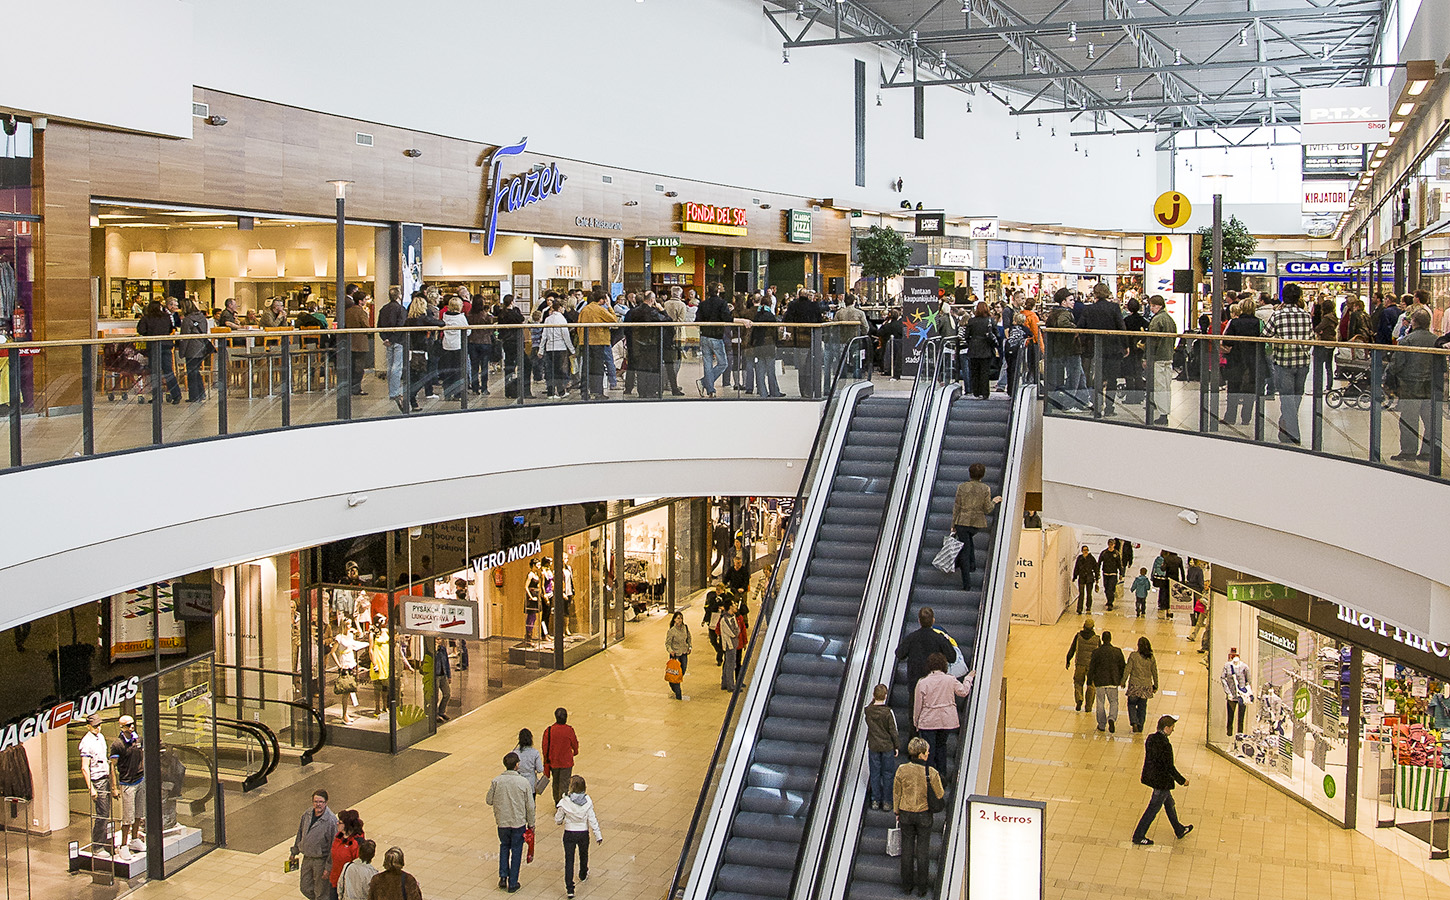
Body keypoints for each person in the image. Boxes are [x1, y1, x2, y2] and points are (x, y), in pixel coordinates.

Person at [892, 736, 944, 897]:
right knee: (922, 851)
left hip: (906, 813)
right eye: (927, 752)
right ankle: (922, 888)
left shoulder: (901, 769)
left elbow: (896, 793)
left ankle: (907, 886)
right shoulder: (931, 772)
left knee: (906, 850)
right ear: (921, 754)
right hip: (924, 815)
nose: (928, 754)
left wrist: (897, 811)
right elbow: (940, 793)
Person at [1131, 715, 1193, 846]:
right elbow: (1169, 767)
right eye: (1172, 728)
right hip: (1162, 781)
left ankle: (1179, 829)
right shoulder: (1165, 744)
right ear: (1166, 728)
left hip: (1152, 777)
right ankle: (1139, 835)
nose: (1173, 730)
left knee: (1169, 804)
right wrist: (1182, 781)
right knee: (1153, 808)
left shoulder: (1151, 738)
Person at [1264, 282, 1313, 445]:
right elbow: (1311, 337)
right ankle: (1286, 426)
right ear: (1299, 297)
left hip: (1284, 361)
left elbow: (1264, 335)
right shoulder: (1306, 315)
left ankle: (1293, 433)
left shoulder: (1278, 315)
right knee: (1297, 396)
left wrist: (1277, 341)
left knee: (1287, 398)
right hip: (1303, 361)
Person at [1388, 308, 1438, 461]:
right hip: (1431, 385)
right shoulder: (1436, 341)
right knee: (1430, 420)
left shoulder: (1407, 341)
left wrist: (1388, 378)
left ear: (1413, 323)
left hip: (1410, 386)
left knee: (1409, 419)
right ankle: (1428, 452)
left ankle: (1408, 451)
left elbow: (1396, 365)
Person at [912, 652, 976, 769]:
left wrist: (916, 722)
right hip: (946, 720)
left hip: (928, 721)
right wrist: (968, 678)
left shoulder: (922, 682)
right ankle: (942, 775)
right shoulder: (950, 680)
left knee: (928, 750)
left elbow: (918, 705)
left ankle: (929, 775)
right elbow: (963, 692)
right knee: (942, 746)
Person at [487, 751, 535, 893]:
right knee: (516, 850)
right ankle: (513, 882)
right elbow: (530, 806)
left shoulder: (496, 781)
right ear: (517, 765)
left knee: (504, 847)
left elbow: (489, 800)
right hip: (518, 823)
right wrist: (531, 824)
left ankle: (503, 876)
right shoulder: (523, 782)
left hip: (502, 822)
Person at [1079, 283, 1127, 414]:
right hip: (1113, 348)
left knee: (1097, 378)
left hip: (1096, 348)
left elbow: (1080, 327)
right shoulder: (1114, 308)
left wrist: (1086, 342)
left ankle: (1097, 406)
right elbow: (1121, 327)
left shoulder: (1089, 309)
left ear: (1095, 294)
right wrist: (1125, 345)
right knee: (1112, 379)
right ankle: (1110, 408)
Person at [952, 462, 1002, 588]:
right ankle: (971, 567)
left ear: (970, 473)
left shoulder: (962, 487)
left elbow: (956, 507)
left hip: (962, 521)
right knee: (967, 544)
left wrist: (953, 524)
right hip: (976, 524)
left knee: (965, 549)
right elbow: (987, 509)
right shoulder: (985, 489)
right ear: (982, 475)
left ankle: (966, 581)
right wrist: (994, 501)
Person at [554, 774, 603, 899]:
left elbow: (558, 818)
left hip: (569, 833)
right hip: (583, 833)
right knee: (583, 854)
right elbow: (592, 819)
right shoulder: (587, 801)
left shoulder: (565, 802)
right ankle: (583, 873)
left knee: (569, 860)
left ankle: (570, 888)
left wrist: (560, 821)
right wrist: (598, 835)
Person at [108, 714, 147, 855]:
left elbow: (141, 755)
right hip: (127, 784)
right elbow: (112, 766)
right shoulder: (117, 745)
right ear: (122, 727)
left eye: (132, 724)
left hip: (140, 780)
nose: (132, 727)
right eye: (128, 725)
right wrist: (114, 787)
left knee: (138, 813)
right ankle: (124, 845)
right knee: (127, 817)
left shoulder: (138, 739)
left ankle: (135, 839)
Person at [289, 791, 339, 900]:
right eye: (316, 801)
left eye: (321, 802)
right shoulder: (307, 814)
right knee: (305, 887)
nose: (318, 804)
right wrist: (294, 851)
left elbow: (333, 846)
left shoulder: (331, 820)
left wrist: (328, 867)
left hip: (320, 860)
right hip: (307, 857)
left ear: (326, 802)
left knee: (321, 892)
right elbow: (300, 833)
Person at [895, 607, 955, 695]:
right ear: (933, 620)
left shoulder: (911, 637)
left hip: (915, 682)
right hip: (935, 684)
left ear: (919, 621)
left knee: (915, 706)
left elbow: (899, 653)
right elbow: (952, 657)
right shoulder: (939, 638)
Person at [1223, 299, 1264, 426]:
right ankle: (1246, 418)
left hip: (1236, 359)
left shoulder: (1234, 322)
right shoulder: (1259, 323)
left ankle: (1230, 417)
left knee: (1233, 388)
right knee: (1250, 389)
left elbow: (1227, 341)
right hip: (1253, 360)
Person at [136, 299, 182, 404]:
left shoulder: (146, 318)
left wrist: (149, 333)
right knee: (168, 371)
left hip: (153, 346)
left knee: (155, 372)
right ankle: (176, 394)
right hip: (166, 345)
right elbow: (171, 329)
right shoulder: (166, 317)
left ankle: (157, 397)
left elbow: (141, 330)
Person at [623, 292, 667, 398]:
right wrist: (662, 310)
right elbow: (668, 321)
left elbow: (626, 328)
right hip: (651, 344)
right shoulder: (653, 312)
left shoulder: (632, 312)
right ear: (652, 300)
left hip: (635, 344)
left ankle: (641, 391)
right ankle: (650, 391)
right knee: (652, 368)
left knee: (640, 369)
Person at [79, 714, 113, 851]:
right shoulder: (86, 743)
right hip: (97, 780)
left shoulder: (101, 737)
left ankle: (103, 842)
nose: (98, 728)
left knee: (106, 813)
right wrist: (91, 788)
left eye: (99, 725)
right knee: (102, 814)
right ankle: (97, 845)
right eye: (95, 726)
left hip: (105, 777)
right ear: (88, 726)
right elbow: (84, 767)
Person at [863, 684, 899, 811]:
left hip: (873, 745)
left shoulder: (868, 710)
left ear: (873, 695)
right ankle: (887, 802)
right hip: (887, 746)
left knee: (875, 773)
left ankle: (875, 800)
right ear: (885, 696)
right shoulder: (888, 712)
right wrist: (896, 746)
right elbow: (893, 731)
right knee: (888, 773)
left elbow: (870, 708)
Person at [783, 289, 824, 398]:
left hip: (800, 340)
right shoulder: (814, 306)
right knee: (812, 366)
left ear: (798, 295)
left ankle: (804, 391)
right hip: (813, 338)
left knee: (802, 367)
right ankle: (812, 390)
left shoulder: (793, 305)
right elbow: (819, 320)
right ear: (808, 296)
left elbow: (787, 319)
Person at [577, 291, 618, 400]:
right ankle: (598, 392)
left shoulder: (584, 309)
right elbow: (614, 320)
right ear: (601, 299)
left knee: (586, 367)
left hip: (585, 342)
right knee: (598, 369)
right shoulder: (600, 309)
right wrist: (610, 306)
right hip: (598, 341)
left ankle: (584, 392)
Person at [1086, 631, 1126, 733]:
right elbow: (1122, 666)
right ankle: (1112, 718)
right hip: (1113, 681)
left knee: (1100, 702)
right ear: (1110, 639)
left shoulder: (1097, 652)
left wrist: (1089, 680)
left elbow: (1092, 667)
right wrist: (1122, 680)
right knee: (1113, 701)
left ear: (1102, 640)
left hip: (1100, 681)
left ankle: (1102, 724)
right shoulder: (1117, 651)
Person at [1145, 296, 1176, 424]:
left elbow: (1152, 342)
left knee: (1159, 386)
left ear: (1158, 305)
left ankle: (1162, 414)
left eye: (1152, 305)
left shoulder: (1156, 320)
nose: (1151, 308)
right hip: (1168, 356)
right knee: (1166, 386)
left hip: (1158, 357)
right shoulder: (1170, 319)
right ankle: (1165, 411)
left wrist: (1146, 357)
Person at [377, 286, 408, 410]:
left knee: (390, 366)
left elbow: (379, 325)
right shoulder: (401, 309)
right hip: (398, 340)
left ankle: (392, 390)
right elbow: (401, 325)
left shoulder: (383, 309)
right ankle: (394, 392)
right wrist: (393, 339)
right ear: (399, 296)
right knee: (397, 367)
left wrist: (385, 338)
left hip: (387, 340)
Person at [543, 707, 580, 806]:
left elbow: (545, 747)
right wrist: (575, 752)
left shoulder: (549, 730)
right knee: (564, 783)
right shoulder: (569, 730)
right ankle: (563, 804)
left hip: (553, 761)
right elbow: (574, 743)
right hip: (566, 762)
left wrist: (545, 761)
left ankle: (557, 801)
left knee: (555, 782)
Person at [178, 298, 212, 402]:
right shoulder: (202, 318)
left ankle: (194, 395)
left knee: (191, 372)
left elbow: (185, 338)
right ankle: (201, 394)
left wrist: (181, 352)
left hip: (191, 349)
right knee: (196, 371)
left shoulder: (187, 320)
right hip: (201, 347)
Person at [960, 301, 996, 399]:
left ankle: (976, 391)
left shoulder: (971, 321)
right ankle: (985, 392)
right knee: (985, 372)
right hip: (986, 348)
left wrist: (971, 342)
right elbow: (996, 334)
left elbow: (966, 336)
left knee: (975, 372)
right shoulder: (990, 321)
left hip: (974, 348)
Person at [542, 298, 576, 398]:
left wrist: (540, 349)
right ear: (560, 308)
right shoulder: (562, 319)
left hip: (549, 348)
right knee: (559, 370)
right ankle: (561, 391)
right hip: (560, 348)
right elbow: (566, 336)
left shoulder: (548, 319)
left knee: (550, 370)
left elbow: (544, 336)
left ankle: (550, 392)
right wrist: (572, 350)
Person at [1065, 617, 1101, 713]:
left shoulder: (1078, 636)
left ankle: (1079, 699)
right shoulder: (1097, 639)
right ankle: (1088, 706)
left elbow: (1072, 649)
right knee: (1091, 685)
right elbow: (1099, 654)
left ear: (1084, 626)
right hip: (1091, 667)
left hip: (1080, 664)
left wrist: (1068, 660)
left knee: (1078, 683)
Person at [1124, 637, 1159, 734]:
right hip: (1146, 686)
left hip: (1134, 685)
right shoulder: (1151, 658)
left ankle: (1134, 722)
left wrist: (1123, 680)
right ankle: (1140, 725)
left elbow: (1128, 669)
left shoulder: (1133, 656)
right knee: (1142, 707)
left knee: (1131, 704)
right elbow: (1154, 672)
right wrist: (1155, 685)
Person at [329, 809, 365, 900]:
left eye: (340, 822)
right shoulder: (338, 837)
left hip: (348, 884)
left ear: (346, 825)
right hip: (335, 880)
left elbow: (358, 866)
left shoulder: (356, 843)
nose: (337, 824)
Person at [439, 296, 469, 402]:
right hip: (458, 346)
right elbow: (468, 331)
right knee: (458, 371)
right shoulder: (461, 318)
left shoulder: (445, 316)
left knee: (448, 370)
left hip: (446, 345)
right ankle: (458, 393)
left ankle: (447, 392)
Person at [344, 293, 370, 396]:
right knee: (359, 368)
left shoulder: (347, 311)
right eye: (364, 299)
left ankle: (349, 387)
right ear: (360, 301)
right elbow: (366, 326)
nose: (365, 301)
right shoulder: (361, 312)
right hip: (360, 343)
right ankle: (356, 388)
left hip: (349, 341)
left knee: (351, 366)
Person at [1221, 648, 1251, 736]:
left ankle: (1240, 734)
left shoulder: (1245, 667)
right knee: (1230, 716)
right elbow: (1223, 678)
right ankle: (1229, 732)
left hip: (1242, 695)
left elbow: (1248, 681)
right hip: (1232, 695)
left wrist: (1247, 693)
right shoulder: (1227, 666)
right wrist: (1228, 692)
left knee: (1241, 717)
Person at [666, 611, 691, 700]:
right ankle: (678, 693)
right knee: (676, 674)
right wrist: (671, 651)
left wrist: (690, 647)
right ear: (674, 620)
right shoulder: (672, 631)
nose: (679, 620)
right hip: (675, 655)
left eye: (681, 618)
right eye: (678, 618)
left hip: (684, 653)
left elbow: (688, 638)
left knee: (682, 671)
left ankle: (673, 683)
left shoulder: (685, 628)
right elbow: (668, 643)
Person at [719, 598, 741, 691]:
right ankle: (731, 686)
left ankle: (724, 683)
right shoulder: (725, 619)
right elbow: (733, 632)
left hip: (734, 643)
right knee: (731, 665)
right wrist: (736, 632)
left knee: (728, 663)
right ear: (730, 607)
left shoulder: (733, 617)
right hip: (729, 645)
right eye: (733, 604)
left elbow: (737, 628)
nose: (735, 605)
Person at [1072, 545, 1098, 614]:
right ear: (1082, 551)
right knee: (1081, 594)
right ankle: (1079, 608)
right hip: (1082, 578)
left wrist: (1097, 577)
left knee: (1089, 594)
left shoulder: (1091, 558)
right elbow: (1076, 567)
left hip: (1089, 578)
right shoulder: (1080, 558)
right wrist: (1075, 576)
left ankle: (1088, 607)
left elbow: (1096, 568)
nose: (1085, 551)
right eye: (1084, 550)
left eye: (1086, 550)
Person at [1098, 540, 1121, 611]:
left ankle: (1110, 603)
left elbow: (1119, 564)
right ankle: (1108, 600)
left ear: (1114, 545)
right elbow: (1099, 562)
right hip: (1106, 573)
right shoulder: (1104, 553)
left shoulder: (1116, 553)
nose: (1110, 545)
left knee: (1111, 589)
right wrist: (1097, 571)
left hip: (1113, 573)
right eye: (1109, 544)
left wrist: (1121, 573)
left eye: (1112, 544)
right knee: (1106, 589)